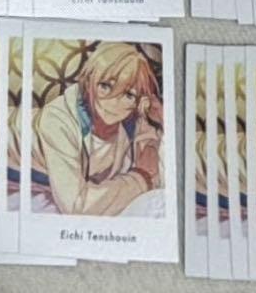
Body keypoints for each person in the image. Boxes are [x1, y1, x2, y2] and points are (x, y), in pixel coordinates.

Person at [31, 42, 164, 215]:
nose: (113, 101)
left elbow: (158, 172)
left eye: (128, 94)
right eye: (105, 85)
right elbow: (76, 207)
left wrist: (162, 119)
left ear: (140, 102)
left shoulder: (133, 120)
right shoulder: (57, 120)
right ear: (88, 82)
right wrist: (139, 178)